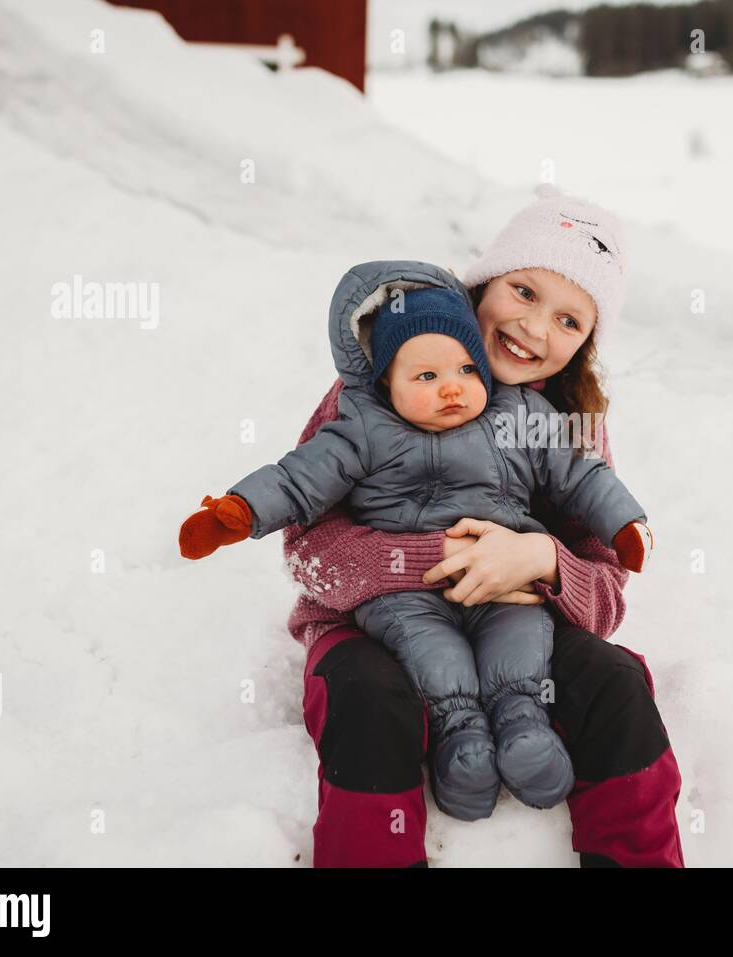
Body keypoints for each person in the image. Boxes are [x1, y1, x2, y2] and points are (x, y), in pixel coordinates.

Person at [285, 184, 685, 866]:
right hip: (375, 631)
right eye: (524, 292)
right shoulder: (388, 377)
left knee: (616, 684)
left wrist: (541, 561)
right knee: (369, 703)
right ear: (483, 280)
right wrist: (430, 560)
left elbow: (609, 588)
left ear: (588, 342)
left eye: (569, 320)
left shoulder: (571, 420)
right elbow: (308, 549)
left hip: (517, 644)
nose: (535, 328)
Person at [179, 281, 654, 822]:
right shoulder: (363, 420)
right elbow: (299, 482)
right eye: (428, 377)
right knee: (421, 669)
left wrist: (603, 535)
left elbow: (582, 478)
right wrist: (236, 512)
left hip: (506, 595)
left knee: (532, 650)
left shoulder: (530, 413)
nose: (451, 389)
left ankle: (524, 727)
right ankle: (462, 740)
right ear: (388, 381)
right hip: (399, 600)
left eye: (465, 372)